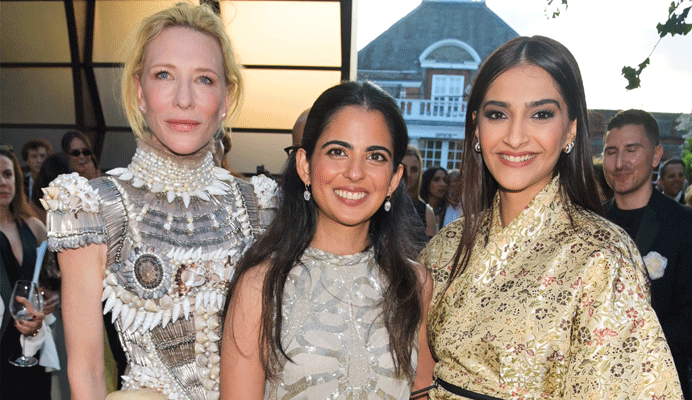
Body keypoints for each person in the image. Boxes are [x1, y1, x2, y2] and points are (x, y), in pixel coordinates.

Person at [420, 36, 682, 399]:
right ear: (476, 127)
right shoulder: (445, 247)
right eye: (497, 114)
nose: (515, 137)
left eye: (540, 114)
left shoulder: (603, 257)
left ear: (571, 129)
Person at [43, 4, 274, 399]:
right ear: (139, 91)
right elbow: (88, 370)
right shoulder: (89, 206)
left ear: (225, 98)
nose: (184, 99)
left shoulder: (261, 205)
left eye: (204, 79)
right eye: (164, 75)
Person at [221, 81, 434, 399]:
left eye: (375, 156)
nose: (355, 172)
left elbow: (422, 393)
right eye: (338, 152)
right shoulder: (261, 285)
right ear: (305, 165)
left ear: (394, 179)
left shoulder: (415, 285)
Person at [602, 108, 692, 398]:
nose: (619, 163)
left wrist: (621, 346)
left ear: (656, 156)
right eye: (611, 151)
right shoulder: (589, 223)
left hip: (659, 384)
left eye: (631, 150)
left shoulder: (688, 225)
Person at [0, 145, 51, 399]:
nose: (2, 183)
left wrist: (52, 297)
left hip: (33, 343)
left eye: (7, 174)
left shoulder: (35, 228)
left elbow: (52, 280)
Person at [403, 145, 437, 239]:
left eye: (414, 170)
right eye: (404, 169)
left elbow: (430, 248)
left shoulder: (427, 212)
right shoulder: (378, 204)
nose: (408, 174)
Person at [420, 166, 448, 231]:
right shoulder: (419, 209)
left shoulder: (446, 210)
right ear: (427, 182)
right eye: (436, 180)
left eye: (445, 180)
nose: (442, 184)